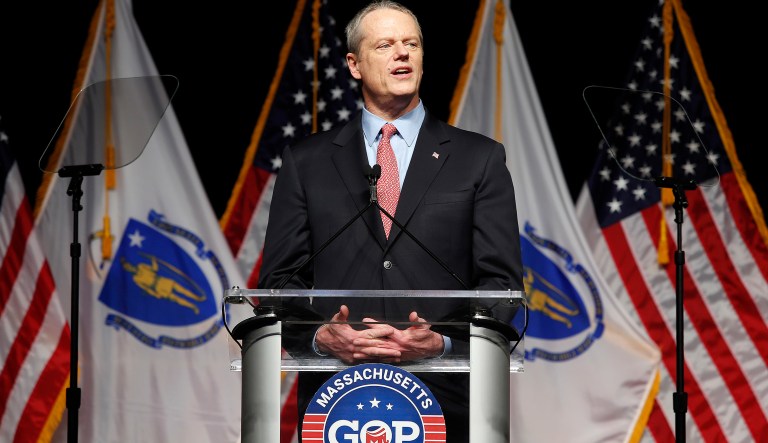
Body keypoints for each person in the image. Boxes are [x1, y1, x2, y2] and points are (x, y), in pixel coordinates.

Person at [257, 1, 524, 441]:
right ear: (354, 64)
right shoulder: (307, 162)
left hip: (447, 399)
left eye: (411, 44)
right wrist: (323, 337)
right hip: (335, 401)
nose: (402, 53)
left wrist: (442, 343)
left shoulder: (480, 159)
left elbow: (502, 286)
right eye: (385, 45)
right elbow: (279, 283)